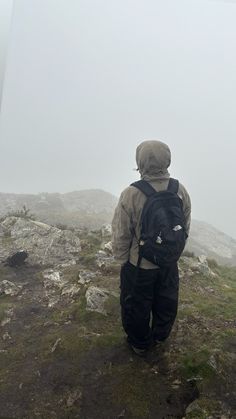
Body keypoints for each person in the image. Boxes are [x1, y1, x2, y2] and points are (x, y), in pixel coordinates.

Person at [111, 140, 191, 356]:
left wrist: (122, 260)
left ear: (140, 161)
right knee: (166, 300)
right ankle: (160, 336)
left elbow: (121, 231)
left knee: (136, 305)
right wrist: (172, 253)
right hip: (168, 263)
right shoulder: (179, 189)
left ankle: (139, 344)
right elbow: (185, 225)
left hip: (140, 265)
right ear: (167, 159)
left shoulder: (131, 193)